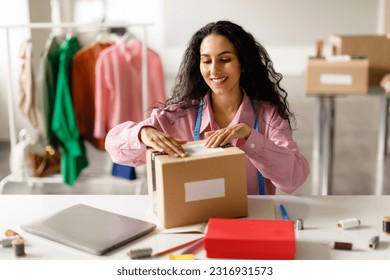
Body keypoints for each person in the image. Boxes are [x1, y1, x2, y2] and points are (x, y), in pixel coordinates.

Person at [105, 20, 310, 195]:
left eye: (225, 59)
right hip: (198, 224)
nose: (214, 70)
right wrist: (142, 134)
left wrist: (250, 139)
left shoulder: (268, 116)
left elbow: (293, 179)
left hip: (254, 222)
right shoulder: (180, 117)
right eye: (206, 61)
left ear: (243, 63)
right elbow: (115, 149)